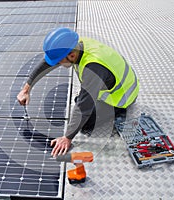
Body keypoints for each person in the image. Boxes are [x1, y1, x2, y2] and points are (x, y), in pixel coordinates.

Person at [17, 27, 139, 157]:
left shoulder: (92, 68)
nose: (57, 63)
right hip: (117, 82)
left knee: (85, 123)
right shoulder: (76, 45)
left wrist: (67, 137)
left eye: (59, 61)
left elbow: (83, 107)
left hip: (123, 97)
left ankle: (118, 111)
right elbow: (47, 63)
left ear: (71, 56)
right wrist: (26, 89)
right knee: (79, 106)